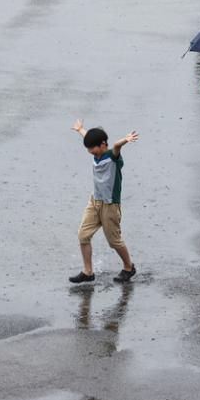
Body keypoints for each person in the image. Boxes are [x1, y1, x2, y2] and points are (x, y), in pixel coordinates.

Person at [69, 120, 138, 283]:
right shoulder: (96, 151)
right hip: (95, 201)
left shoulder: (112, 157)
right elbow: (89, 137)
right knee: (83, 235)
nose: (90, 151)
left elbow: (116, 146)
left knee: (114, 241)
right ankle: (88, 272)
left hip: (110, 205)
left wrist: (126, 139)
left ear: (102, 144)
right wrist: (80, 130)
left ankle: (129, 267)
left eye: (93, 148)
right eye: (88, 148)